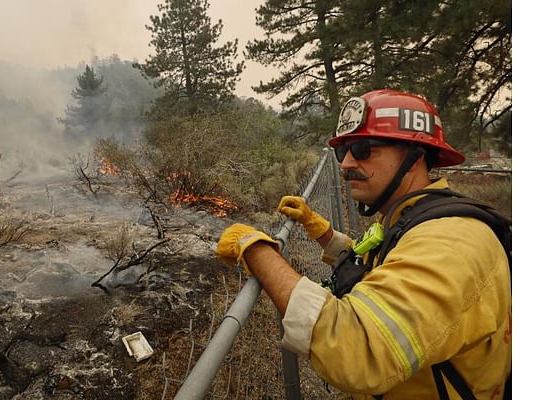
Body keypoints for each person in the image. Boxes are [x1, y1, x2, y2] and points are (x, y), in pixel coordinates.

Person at [215, 89, 511, 399]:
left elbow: (356, 347)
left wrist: (257, 250)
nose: (346, 164)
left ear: (415, 157)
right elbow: (382, 266)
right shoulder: (413, 218)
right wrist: (319, 229)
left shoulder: (451, 244)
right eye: (343, 152)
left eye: (363, 148)